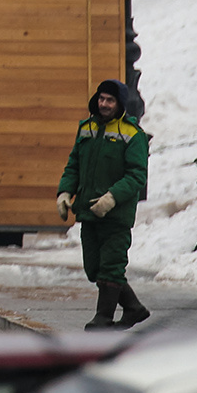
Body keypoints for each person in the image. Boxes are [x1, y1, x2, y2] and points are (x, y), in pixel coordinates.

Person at [58, 79, 151, 330]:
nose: (104, 104)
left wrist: (111, 198)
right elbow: (74, 165)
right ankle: (133, 309)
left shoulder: (133, 134)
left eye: (110, 100)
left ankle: (103, 318)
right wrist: (65, 191)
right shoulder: (86, 128)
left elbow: (136, 176)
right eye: (101, 98)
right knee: (94, 268)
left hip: (115, 216)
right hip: (88, 214)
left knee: (111, 266)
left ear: (119, 103)